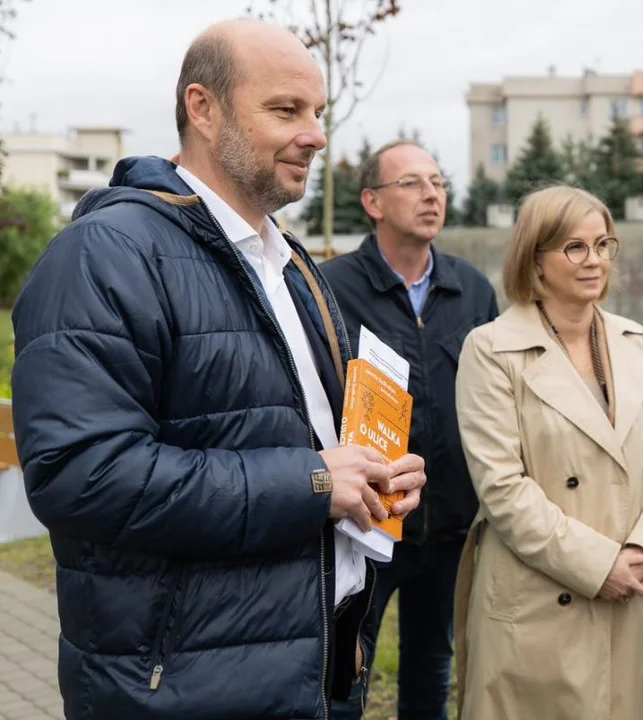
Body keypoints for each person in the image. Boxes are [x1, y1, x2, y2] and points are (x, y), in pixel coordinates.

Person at [9, 19, 425, 720]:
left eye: (318, 113)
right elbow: (80, 473)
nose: (317, 135)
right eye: (285, 110)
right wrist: (317, 481)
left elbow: (312, 438)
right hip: (184, 689)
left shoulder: (291, 264)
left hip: (314, 672)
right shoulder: (104, 254)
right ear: (202, 108)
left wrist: (371, 475)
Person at [452, 185, 643, 720]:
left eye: (604, 245)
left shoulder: (634, 343)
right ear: (535, 258)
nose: (595, 261)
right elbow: (502, 489)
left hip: (636, 589)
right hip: (540, 598)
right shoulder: (491, 350)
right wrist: (598, 564)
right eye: (575, 248)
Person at [319, 139, 499, 720]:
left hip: (449, 523)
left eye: (439, 183)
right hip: (365, 524)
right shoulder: (329, 290)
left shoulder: (472, 290)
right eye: (413, 183)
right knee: (344, 671)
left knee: (431, 669)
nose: (431, 195)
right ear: (372, 201)